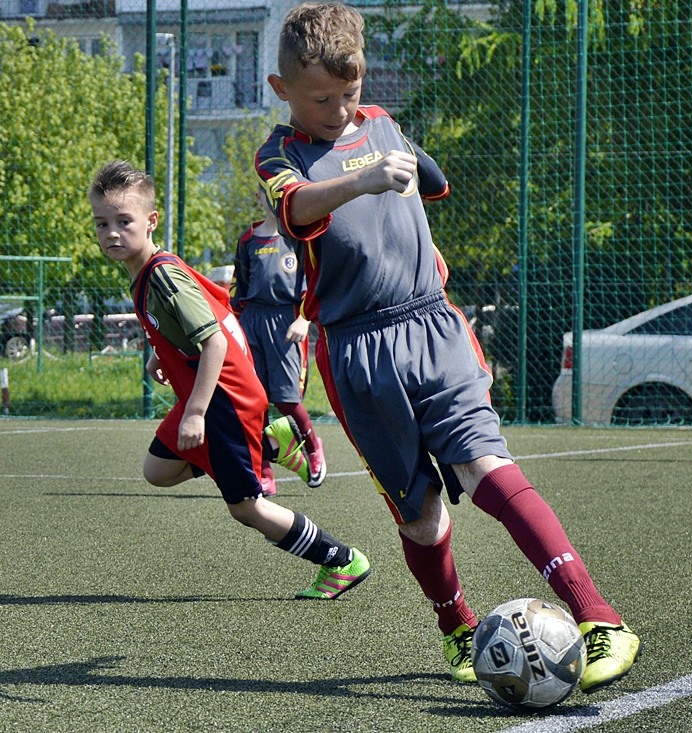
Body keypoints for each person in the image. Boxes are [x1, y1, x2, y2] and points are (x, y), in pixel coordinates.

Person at [255, 2, 641, 694]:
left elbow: (429, 180)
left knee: (486, 464)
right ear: (282, 89)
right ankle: (456, 624)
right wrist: (364, 179)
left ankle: (598, 615)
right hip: (358, 354)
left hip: (434, 328)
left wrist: (411, 174)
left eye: (350, 93)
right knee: (421, 516)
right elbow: (295, 208)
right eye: (321, 99)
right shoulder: (278, 155)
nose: (340, 111)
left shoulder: (381, 123)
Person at [89, 160, 371, 600]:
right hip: (205, 395)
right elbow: (204, 316)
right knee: (158, 470)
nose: (112, 233)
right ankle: (272, 444)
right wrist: (161, 354)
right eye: (102, 223)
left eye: (124, 221)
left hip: (222, 400)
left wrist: (195, 412)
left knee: (246, 508)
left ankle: (340, 559)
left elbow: (215, 342)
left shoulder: (162, 275)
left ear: (151, 221)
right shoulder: (147, 272)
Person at [230, 191, 326, 496]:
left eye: (278, 196)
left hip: (286, 321)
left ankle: (313, 448)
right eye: (266, 195)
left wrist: (304, 319)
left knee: (286, 400)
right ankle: (264, 472)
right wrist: (236, 326)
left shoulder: (298, 237)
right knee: (255, 401)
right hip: (252, 322)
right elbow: (238, 288)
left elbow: (314, 282)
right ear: (258, 198)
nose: (272, 201)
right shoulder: (247, 240)